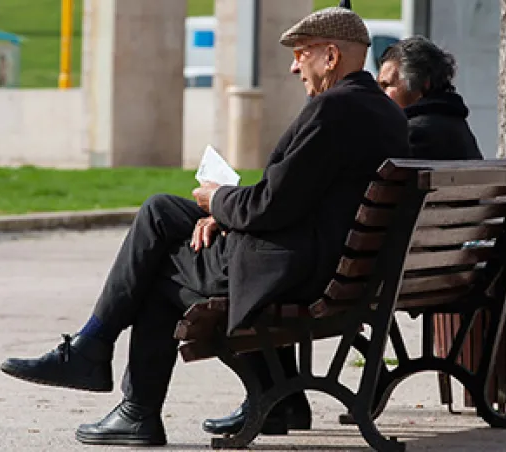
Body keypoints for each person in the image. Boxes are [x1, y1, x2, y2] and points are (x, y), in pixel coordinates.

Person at [0, 7, 410, 447]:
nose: (294, 66)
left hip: (295, 270)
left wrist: (217, 198)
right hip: (339, 266)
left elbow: (270, 206)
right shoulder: (385, 114)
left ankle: (124, 394)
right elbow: (293, 196)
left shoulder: (332, 111)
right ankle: (99, 354)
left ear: (330, 56)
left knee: (159, 273)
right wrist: (221, 214)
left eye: (301, 54)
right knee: (160, 212)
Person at [205, 35, 487, 437]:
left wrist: (228, 211)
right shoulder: (453, 130)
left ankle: (272, 396)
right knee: (281, 254)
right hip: (434, 270)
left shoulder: (414, 136)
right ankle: (277, 396)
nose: (382, 92)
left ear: (421, 88)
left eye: (390, 84)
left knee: (277, 259)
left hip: (381, 273)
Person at [377, 35, 483, 160]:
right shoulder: (457, 126)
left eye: (387, 85)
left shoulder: (414, 134)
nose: (380, 93)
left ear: (422, 84)